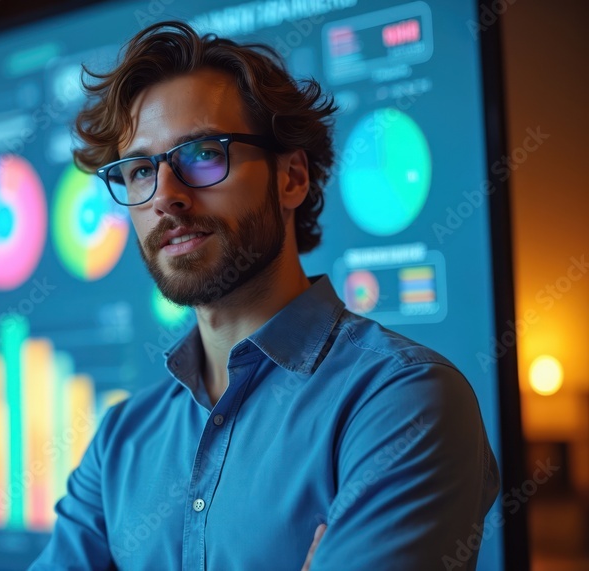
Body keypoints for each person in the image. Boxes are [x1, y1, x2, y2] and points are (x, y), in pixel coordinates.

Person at [28, 20, 499, 570]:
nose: (166, 198)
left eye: (202, 154)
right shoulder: (120, 443)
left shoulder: (403, 402)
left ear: (292, 178)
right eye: (139, 171)